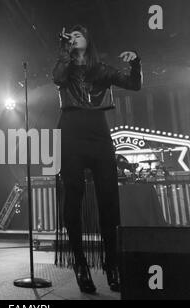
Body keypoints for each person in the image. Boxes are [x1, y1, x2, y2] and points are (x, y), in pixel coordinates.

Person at [53, 25, 142, 293]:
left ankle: (111, 263)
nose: (74, 38)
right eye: (72, 36)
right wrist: (66, 51)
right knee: (74, 195)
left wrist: (136, 61)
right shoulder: (65, 65)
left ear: (88, 41)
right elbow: (57, 77)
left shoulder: (102, 69)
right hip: (70, 133)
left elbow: (134, 84)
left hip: (98, 134)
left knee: (108, 199)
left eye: (79, 35)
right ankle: (80, 264)